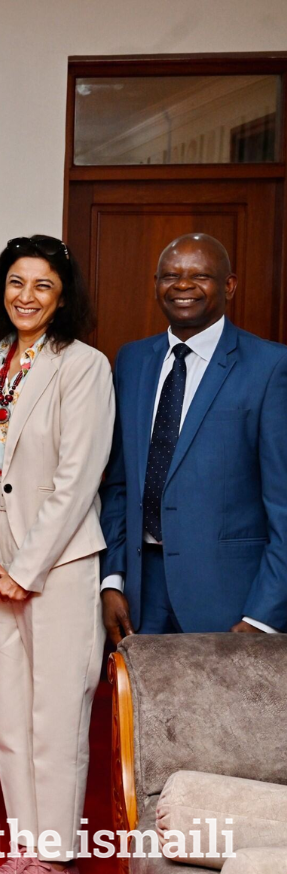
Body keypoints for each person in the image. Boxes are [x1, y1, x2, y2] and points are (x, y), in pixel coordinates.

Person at [0, 236, 112, 874]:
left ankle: (59, 863)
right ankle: (28, 850)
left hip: (59, 569)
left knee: (54, 716)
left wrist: (24, 566)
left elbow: (77, 480)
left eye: (42, 285)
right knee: (9, 718)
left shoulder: (84, 366)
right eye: (15, 283)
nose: (26, 296)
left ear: (63, 296)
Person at [100, 233, 287, 638]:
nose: (182, 285)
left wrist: (263, 614)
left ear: (229, 285)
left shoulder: (271, 367)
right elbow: (117, 483)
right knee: (143, 704)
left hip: (230, 601)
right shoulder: (131, 361)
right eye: (170, 275)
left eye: (199, 275)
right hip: (139, 594)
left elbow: (283, 503)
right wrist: (112, 579)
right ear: (156, 285)